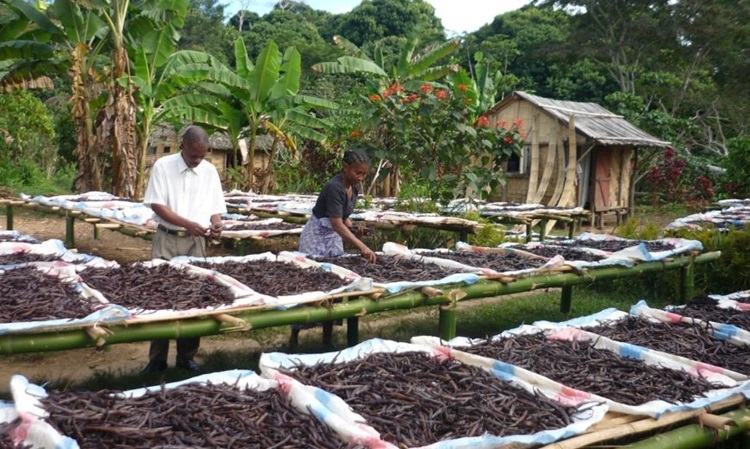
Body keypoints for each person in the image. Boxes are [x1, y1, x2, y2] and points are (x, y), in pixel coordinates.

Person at [141, 125, 227, 373]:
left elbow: (215, 206)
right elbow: (157, 205)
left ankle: (186, 356)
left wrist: (217, 223)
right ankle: (157, 359)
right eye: (193, 156)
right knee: (161, 297)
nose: (197, 161)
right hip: (168, 238)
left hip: (195, 242)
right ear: (183, 146)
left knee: (194, 297)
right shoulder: (163, 166)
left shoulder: (209, 171)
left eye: (202, 156)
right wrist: (187, 223)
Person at [292, 149, 375, 349]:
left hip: (332, 237)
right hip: (317, 236)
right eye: (358, 173)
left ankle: (326, 340)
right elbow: (336, 223)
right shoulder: (334, 187)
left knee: (335, 285)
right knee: (312, 284)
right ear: (345, 167)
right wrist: (361, 246)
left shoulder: (353, 188)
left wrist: (355, 227)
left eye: (364, 174)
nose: (361, 178)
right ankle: (293, 339)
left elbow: (343, 217)